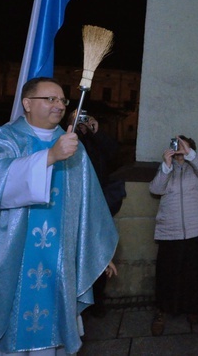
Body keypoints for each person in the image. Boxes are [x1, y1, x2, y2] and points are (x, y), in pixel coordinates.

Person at [0, 78, 119, 355]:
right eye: (50, 99)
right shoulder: (1, 138)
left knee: (49, 329)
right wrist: (49, 158)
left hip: (56, 256)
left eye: (63, 100)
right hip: (6, 253)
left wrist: (97, 250)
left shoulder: (71, 146)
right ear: (27, 104)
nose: (59, 105)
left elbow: (87, 204)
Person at [149, 135, 198, 335]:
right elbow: (155, 188)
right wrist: (166, 166)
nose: (180, 151)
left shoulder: (197, 168)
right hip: (171, 231)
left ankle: (192, 308)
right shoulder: (167, 170)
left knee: (194, 272)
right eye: (177, 147)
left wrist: (191, 155)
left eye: (183, 147)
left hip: (197, 230)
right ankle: (162, 311)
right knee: (167, 274)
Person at [66, 109, 124, 318]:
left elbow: (114, 154)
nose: (81, 121)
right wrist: (74, 130)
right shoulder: (66, 138)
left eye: (83, 117)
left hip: (97, 204)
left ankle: (96, 300)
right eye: (77, 117)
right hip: (74, 204)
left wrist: (95, 132)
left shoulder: (96, 138)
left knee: (99, 251)